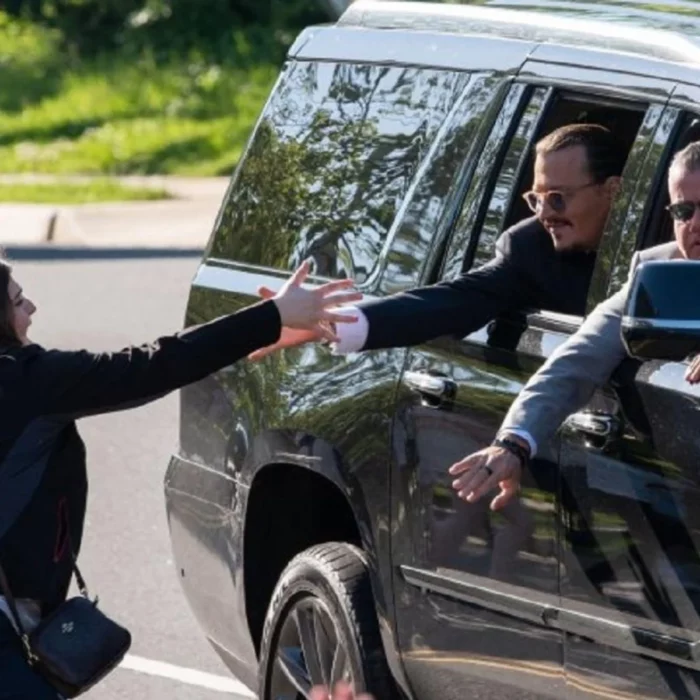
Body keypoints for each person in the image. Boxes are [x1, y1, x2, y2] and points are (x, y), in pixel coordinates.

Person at [0, 255, 361, 698]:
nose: (31, 307)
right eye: (17, 301)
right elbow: (153, 364)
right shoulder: (26, 381)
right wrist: (273, 316)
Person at [449, 140, 700, 511]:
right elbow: (578, 359)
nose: (694, 224)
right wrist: (513, 444)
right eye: (683, 210)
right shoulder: (659, 274)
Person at [250, 122, 626, 360]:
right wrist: (336, 323)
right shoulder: (530, 248)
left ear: (612, 191)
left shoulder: (678, 240)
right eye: (536, 199)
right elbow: (453, 299)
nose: (544, 214)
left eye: (558, 198)